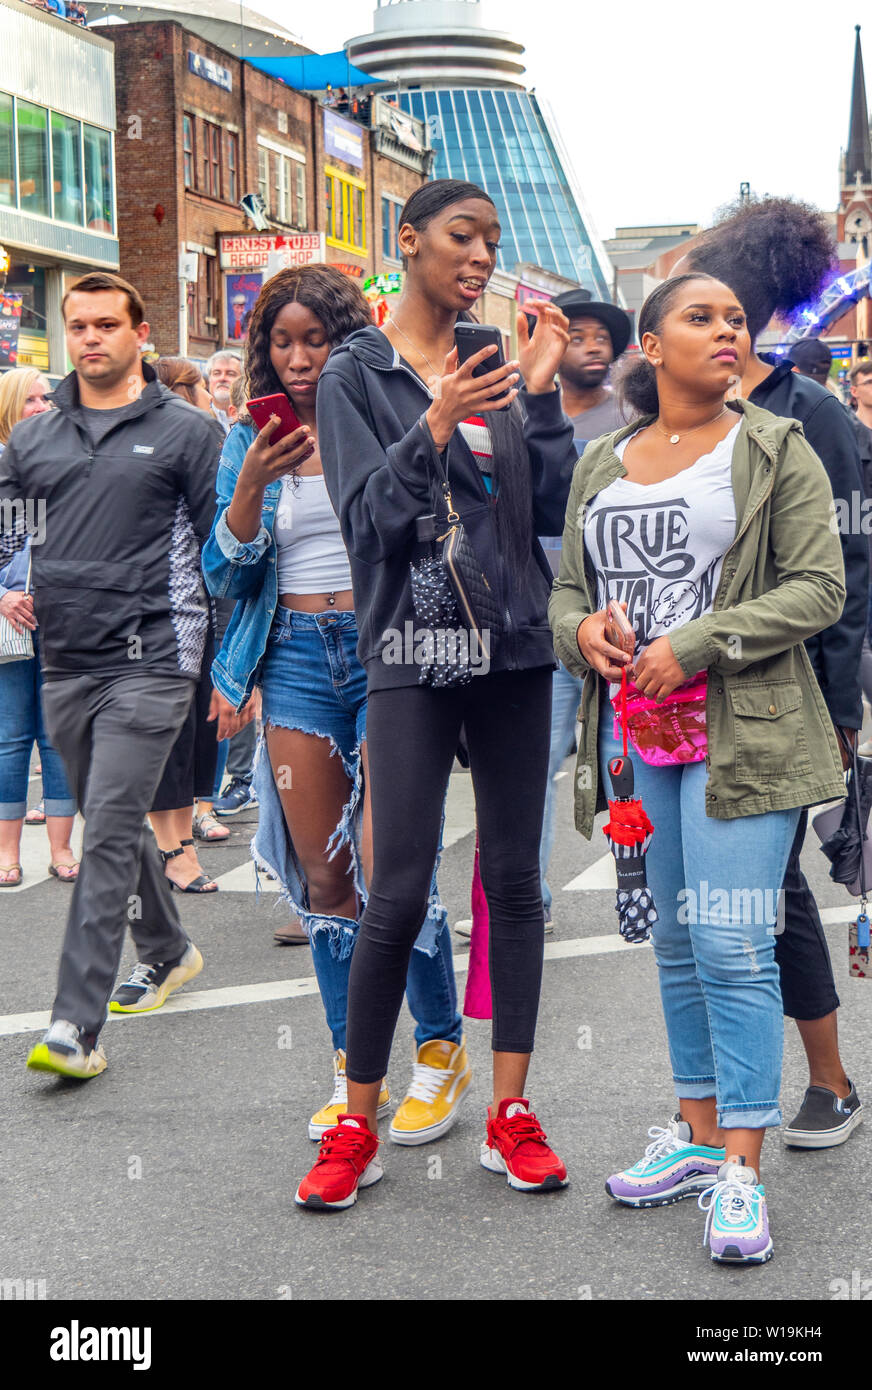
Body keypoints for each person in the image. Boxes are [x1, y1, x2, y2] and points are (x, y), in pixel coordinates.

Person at [550, 272, 847, 1264]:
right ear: (650, 342)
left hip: (743, 731)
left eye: (732, 319)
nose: (725, 331)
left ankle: (741, 1170)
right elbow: (563, 597)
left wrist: (701, 641)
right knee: (675, 945)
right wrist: (581, 628)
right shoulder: (601, 461)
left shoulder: (772, 447)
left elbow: (818, 588)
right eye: (699, 318)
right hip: (635, 737)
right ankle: (691, 1132)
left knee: (729, 944)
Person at [295, 179, 577, 1211]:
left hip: (510, 642)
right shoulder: (352, 374)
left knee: (512, 881)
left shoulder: (493, 361)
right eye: (462, 236)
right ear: (405, 241)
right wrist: (438, 424)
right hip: (410, 647)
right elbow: (370, 519)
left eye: (489, 242)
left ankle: (509, 1111)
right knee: (399, 885)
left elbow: (544, 506)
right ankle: (354, 1124)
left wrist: (535, 398)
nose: (479, 255)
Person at [202, 262, 469, 1145]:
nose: (298, 359)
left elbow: (424, 523)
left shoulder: (378, 411)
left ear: (346, 340)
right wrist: (248, 491)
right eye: (281, 342)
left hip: (385, 648)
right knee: (326, 875)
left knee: (393, 864)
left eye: (316, 340)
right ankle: (355, 1067)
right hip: (293, 661)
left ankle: (439, 1050)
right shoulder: (249, 437)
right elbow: (221, 572)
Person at [683, 199, 867, 1149]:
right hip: (684, 701)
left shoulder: (815, 416)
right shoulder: (675, 417)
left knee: (773, 891)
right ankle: (705, 1107)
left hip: (789, 693)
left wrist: (840, 712)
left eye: (718, 308)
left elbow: (846, 573)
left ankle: (828, 1081)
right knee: (707, 912)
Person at [0, 272, 216, 1079]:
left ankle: (74, 1027)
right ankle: (165, 949)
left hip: (154, 658)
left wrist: (230, 668)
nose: (89, 337)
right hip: (65, 660)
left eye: (105, 324)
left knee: (108, 829)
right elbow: (9, 533)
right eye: (77, 325)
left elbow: (220, 552)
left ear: (138, 334)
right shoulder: (36, 438)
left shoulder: (188, 432)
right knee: (114, 821)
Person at [537, 290, 634, 932]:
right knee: (532, 766)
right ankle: (526, 899)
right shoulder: (520, 407)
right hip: (539, 622)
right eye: (579, 335)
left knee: (631, 763)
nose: (593, 347)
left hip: (623, 624)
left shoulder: (632, 416)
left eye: (603, 337)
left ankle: (644, 887)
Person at [148, 357, 227, 889]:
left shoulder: (203, 437)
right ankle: (171, 849)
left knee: (197, 733)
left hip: (199, 610)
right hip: (155, 617)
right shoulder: (159, 442)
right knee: (167, 739)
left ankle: (183, 841)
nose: (207, 394)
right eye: (200, 385)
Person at [0, 368, 77, 888]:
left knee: (59, 738)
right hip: (6, 623)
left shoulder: (64, 468)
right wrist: (3, 595)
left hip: (62, 619)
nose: (41, 406)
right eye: (29, 399)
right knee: (9, 738)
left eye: (46, 398)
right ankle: (7, 855)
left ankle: (62, 849)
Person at [211, 366, 259, 819]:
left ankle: (245, 776)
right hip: (236, 587)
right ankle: (241, 777)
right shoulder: (237, 442)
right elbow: (224, 558)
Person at [206, 350, 243, 438]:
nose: (222, 378)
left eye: (230, 374)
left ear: (243, 380)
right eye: (216, 373)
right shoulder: (199, 416)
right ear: (209, 379)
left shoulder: (252, 418)